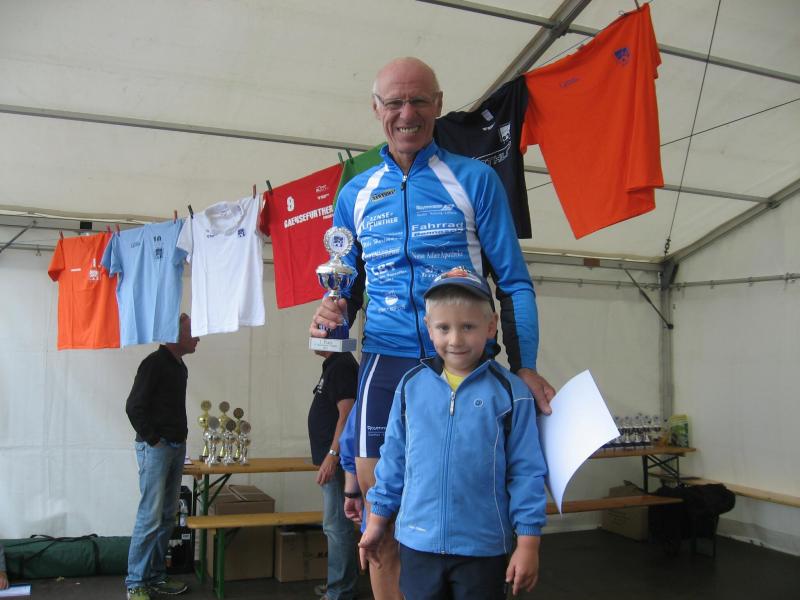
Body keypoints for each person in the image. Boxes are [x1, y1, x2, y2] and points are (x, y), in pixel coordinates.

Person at [309, 56, 554, 599]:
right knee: (379, 510)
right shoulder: (355, 194)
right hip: (386, 360)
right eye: (394, 102)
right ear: (376, 108)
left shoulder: (475, 179)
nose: (407, 114)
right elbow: (347, 286)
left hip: (464, 361)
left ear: (439, 104)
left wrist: (526, 366)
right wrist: (333, 312)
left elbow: (514, 282)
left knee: (469, 495)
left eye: (419, 100)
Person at [359, 268, 547, 599]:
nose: (456, 340)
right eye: (444, 328)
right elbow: (393, 461)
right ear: (428, 328)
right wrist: (376, 521)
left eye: (468, 327)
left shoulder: (511, 393)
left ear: (491, 326)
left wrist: (529, 542)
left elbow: (526, 471)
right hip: (417, 543)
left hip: (483, 549)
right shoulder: (410, 387)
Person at [124, 313, 199, 600]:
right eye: (192, 332)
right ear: (175, 335)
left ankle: (155, 576)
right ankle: (135, 583)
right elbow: (134, 406)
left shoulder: (180, 367)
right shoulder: (153, 364)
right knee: (150, 517)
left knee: (167, 516)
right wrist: (153, 440)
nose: (198, 337)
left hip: (175, 448)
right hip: (157, 448)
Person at [307, 350, 360, 600]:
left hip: (337, 462)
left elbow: (346, 414)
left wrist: (332, 454)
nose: (312, 336)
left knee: (337, 527)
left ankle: (340, 591)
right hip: (333, 460)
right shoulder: (334, 364)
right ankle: (339, 585)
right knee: (335, 526)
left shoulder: (341, 366)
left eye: (319, 331)